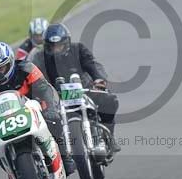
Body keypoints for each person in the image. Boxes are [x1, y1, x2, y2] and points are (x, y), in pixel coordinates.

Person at [0, 41, 75, 175]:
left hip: (34, 106)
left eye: (0, 68)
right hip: (5, 117)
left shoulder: (27, 68)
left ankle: (64, 155)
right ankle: (11, 171)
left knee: (54, 119)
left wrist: (50, 109)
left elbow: (45, 90)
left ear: (10, 63)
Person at [31, 23, 119, 152]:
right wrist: (37, 94)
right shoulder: (39, 57)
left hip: (83, 89)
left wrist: (99, 79)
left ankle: (108, 137)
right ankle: (55, 153)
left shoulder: (78, 49)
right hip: (55, 96)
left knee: (109, 100)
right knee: (42, 119)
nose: (56, 49)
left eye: (60, 45)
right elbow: (34, 77)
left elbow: (92, 64)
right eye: (52, 46)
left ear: (66, 42)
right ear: (46, 45)